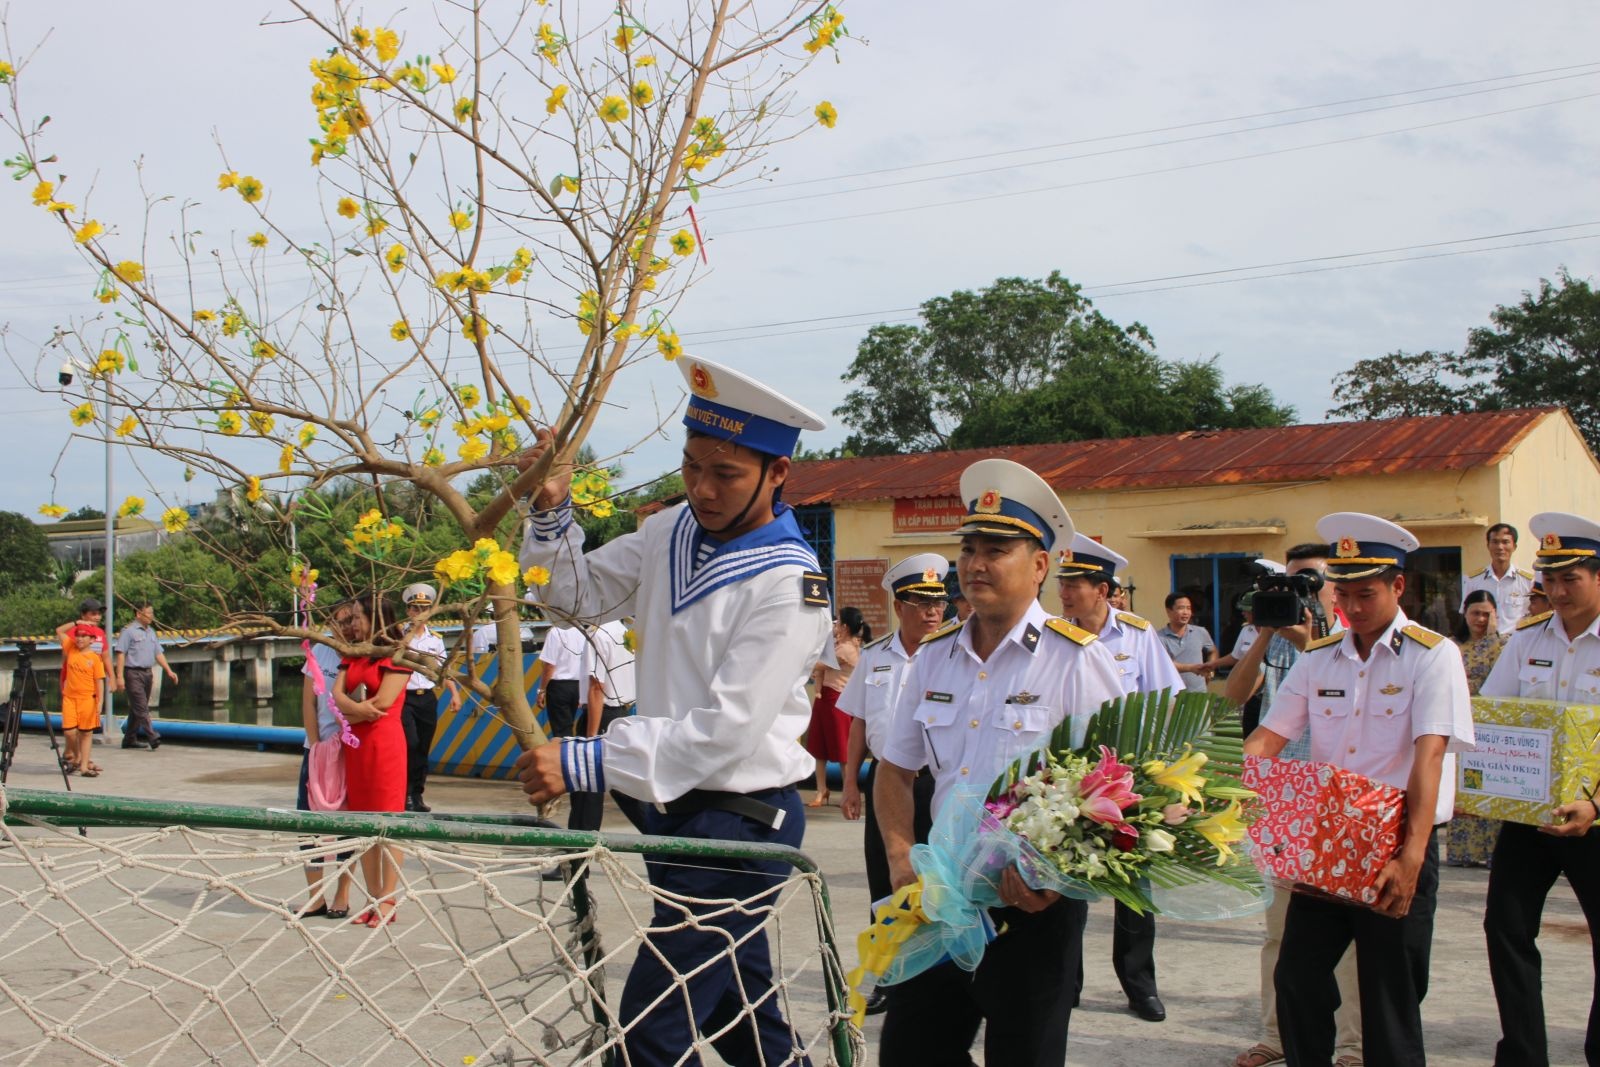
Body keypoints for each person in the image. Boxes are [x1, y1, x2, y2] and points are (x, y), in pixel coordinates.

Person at [513, 355, 832, 1067]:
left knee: (650, 1034)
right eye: (691, 466)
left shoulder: (789, 585)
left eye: (726, 474)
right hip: (675, 814)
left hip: (741, 821)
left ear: (777, 472)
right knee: (741, 1021)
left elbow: (725, 733)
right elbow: (574, 597)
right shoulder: (670, 533)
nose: (703, 488)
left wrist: (584, 759)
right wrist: (550, 509)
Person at [875, 458, 1124, 1067]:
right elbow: (895, 770)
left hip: (1031, 907)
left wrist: (1055, 881)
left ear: (1040, 566)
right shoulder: (934, 657)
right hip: (939, 898)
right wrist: (900, 856)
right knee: (910, 1054)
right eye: (969, 549)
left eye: (996, 550)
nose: (975, 564)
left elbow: (1120, 787)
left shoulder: (1075, 660)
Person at [1246, 513, 1474, 1067]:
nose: (1352, 605)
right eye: (1343, 593)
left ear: (1398, 586)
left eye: (1365, 593)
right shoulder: (1319, 657)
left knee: (1388, 996)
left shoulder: (1432, 655)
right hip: (1326, 842)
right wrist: (1216, 793)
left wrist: (1412, 855)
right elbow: (1268, 738)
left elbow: (1430, 755)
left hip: (1394, 839)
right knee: (1297, 977)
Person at [1227, 545, 1362, 1067]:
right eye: (1288, 581)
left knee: (1347, 937)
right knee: (1279, 931)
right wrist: (1264, 633)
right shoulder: (1273, 633)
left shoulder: (1352, 640)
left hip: (1338, 801)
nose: (1296, 592)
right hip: (1283, 801)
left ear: (1333, 589)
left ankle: (1353, 1045)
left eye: (1307, 581)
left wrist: (1307, 638)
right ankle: (1276, 1034)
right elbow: (1235, 696)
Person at [1480, 512, 1600, 1067]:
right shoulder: (1528, 638)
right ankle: (1523, 1055)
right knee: (1505, 928)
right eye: (1549, 580)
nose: (1557, 591)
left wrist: (1595, 804)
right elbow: (1492, 717)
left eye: (1569, 579)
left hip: (1595, 818)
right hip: (1531, 815)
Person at [1055, 532, 1183, 1024]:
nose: (1065, 593)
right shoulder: (1054, 636)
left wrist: (1164, 777)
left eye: (1075, 584)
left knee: (1133, 887)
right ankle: (1066, 983)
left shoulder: (1137, 635)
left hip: (1130, 776)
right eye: (1063, 583)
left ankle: (1139, 985)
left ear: (1103, 590)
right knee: (1069, 881)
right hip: (1073, 778)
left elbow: (1168, 700)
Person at [836, 552, 948, 1016]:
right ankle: (884, 973)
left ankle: (938, 976)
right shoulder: (875, 655)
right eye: (922, 603)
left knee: (939, 883)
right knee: (884, 879)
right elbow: (859, 723)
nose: (933, 612)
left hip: (937, 785)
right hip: (885, 783)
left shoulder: (953, 653)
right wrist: (850, 783)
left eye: (938, 603)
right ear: (900, 606)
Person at [330, 592, 411, 928]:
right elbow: (335, 696)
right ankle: (373, 896)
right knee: (363, 824)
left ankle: (388, 898)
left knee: (389, 822)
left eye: (357, 617)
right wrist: (356, 711)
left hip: (384, 745)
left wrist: (351, 713)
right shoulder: (353, 655)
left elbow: (384, 703)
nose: (352, 624)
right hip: (356, 746)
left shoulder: (398, 655)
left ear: (376, 618)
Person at [297, 604, 356, 919]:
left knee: (349, 824)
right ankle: (315, 896)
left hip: (351, 750)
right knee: (309, 822)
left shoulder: (361, 654)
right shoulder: (319, 651)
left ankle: (342, 895)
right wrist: (316, 744)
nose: (344, 627)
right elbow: (308, 701)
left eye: (351, 620)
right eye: (338, 621)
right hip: (317, 750)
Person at [1446, 589, 1506, 869]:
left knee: (1490, 786)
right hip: (1460, 725)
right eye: (1475, 613)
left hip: (1491, 729)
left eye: (1486, 614)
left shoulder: (1503, 646)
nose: (1480, 619)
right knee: (1465, 788)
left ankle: (1493, 850)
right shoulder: (1451, 646)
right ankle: (1464, 851)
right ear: (1465, 613)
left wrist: (1492, 637)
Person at [567, 619, 645, 833]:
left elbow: (596, 687)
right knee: (625, 787)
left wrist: (591, 737)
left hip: (601, 715)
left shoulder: (598, 634)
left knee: (587, 786)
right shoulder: (624, 631)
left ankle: (579, 848)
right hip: (622, 713)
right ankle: (660, 836)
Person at [399, 583, 461, 813]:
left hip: (426, 697)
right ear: (408, 610)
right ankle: (404, 793)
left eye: (424, 608)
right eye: (415, 608)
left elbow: (442, 670)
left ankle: (417, 794)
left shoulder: (434, 639)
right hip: (404, 698)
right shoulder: (400, 636)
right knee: (410, 744)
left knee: (423, 748)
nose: (419, 612)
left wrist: (454, 692)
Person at [807, 606, 868, 806]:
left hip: (838, 700)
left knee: (842, 749)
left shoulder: (847, 649)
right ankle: (821, 790)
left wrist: (802, 659)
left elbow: (819, 665)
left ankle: (848, 791)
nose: (835, 625)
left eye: (839, 621)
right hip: (825, 697)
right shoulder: (837, 645)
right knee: (818, 747)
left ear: (845, 626)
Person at [113, 601, 177, 750]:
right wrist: (119, 677)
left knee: (137, 708)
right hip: (133, 673)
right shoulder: (128, 631)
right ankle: (152, 735)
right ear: (138, 614)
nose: (151, 616)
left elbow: (158, 653)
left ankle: (129, 739)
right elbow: (121, 654)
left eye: (152, 613)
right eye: (148, 613)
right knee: (141, 707)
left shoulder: (151, 632)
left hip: (147, 673)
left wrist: (169, 670)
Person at [1462, 522, 1534, 634]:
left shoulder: (1528, 581)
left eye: (1505, 542)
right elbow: (1465, 613)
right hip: (1483, 641)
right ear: (1488, 546)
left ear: (1514, 546)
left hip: (1516, 640)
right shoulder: (1472, 580)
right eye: (1495, 542)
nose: (1500, 547)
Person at [60, 625, 107, 777]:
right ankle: (77, 757)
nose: (79, 639)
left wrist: (100, 702)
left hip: (88, 699)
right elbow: (59, 631)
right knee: (69, 732)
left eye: (84, 636)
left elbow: (99, 681)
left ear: (92, 639)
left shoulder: (94, 658)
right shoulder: (71, 648)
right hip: (70, 698)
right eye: (78, 635)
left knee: (86, 733)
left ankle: (84, 767)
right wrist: (76, 622)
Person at [536, 623, 589, 739]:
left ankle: (564, 750)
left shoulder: (555, 631)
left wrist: (541, 690)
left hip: (559, 687)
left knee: (561, 732)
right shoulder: (582, 630)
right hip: (578, 685)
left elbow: (550, 665)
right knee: (570, 726)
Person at [1158, 592, 1216, 692]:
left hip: (1199, 694)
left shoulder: (1201, 632)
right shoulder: (1158, 637)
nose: (1186, 612)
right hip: (1172, 695)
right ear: (1168, 611)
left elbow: (1213, 651)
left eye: (1188, 608)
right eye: (1181, 608)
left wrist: (1210, 668)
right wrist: (1191, 668)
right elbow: (1163, 664)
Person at [1212, 593, 1261, 674]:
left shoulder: (1276, 632)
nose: (1243, 613)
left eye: (1246, 610)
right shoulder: (1246, 630)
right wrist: (1210, 665)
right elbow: (1235, 657)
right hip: (1249, 677)